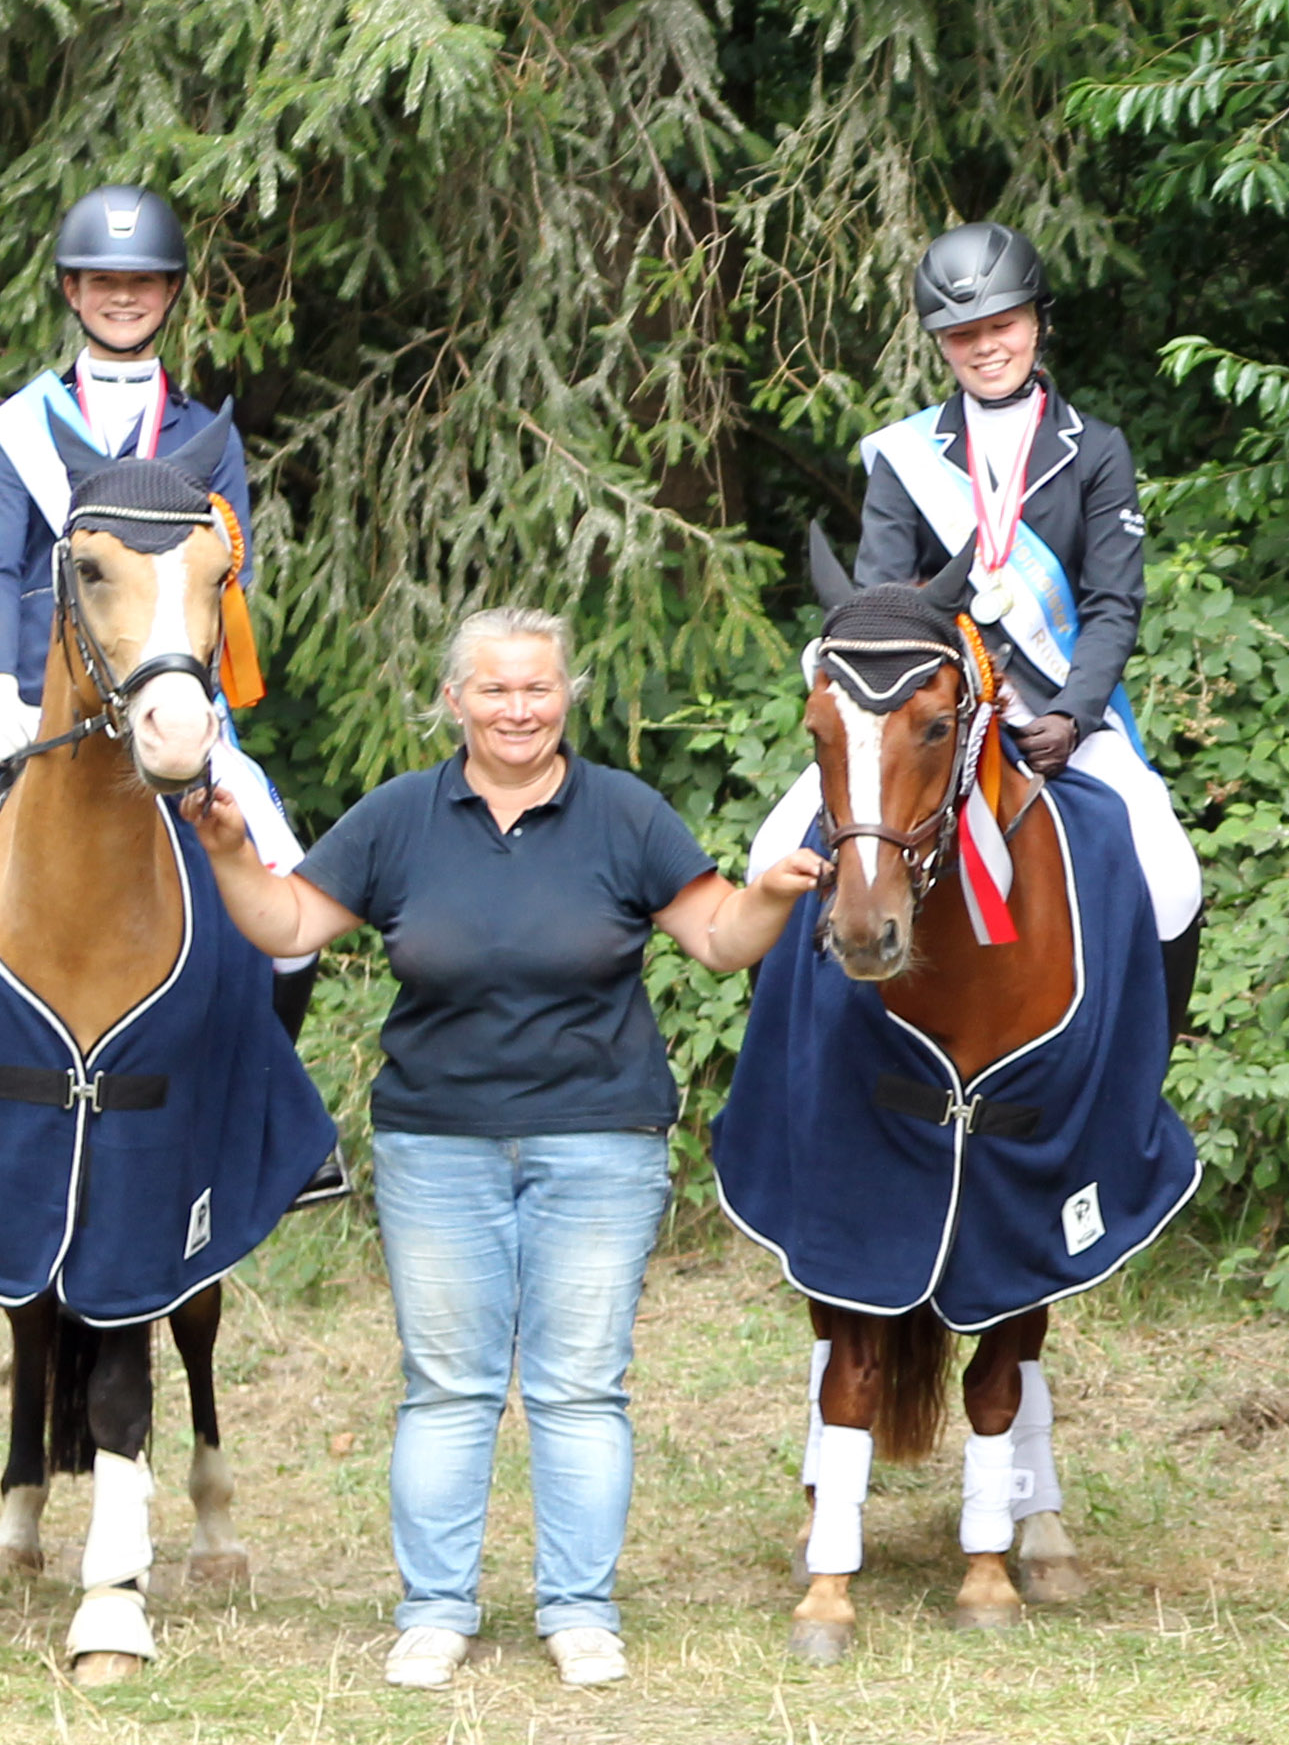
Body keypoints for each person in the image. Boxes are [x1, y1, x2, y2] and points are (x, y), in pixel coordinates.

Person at [185, 607, 822, 1690]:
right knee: (447, 1385)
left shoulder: (625, 814)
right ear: (454, 700)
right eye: (494, 688)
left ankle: (579, 1610)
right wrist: (232, 854)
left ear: (565, 695)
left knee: (580, 1387)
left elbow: (718, 941)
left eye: (537, 688)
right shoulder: (399, 819)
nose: (518, 708)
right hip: (438, 1142)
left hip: (601, 1144)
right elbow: (289, 926)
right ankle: (435, 1609)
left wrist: (765, 896)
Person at [0, 185, 305, 1008]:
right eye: (101, 280)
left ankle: (269, 1120)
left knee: (292, 903)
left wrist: (203, 698)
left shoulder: (206, 438)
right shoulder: (22, 426)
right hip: (34, 706)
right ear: (71, 291)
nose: (122, 296)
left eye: (144, 281)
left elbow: (232, 571)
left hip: (166, 699)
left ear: (169, 295)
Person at [755, 223, 1204, 1029]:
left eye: (1003, 325)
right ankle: (794, 1054)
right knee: (769, 854)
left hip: (1060, 713)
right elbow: (881, 605)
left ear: (1038, 323)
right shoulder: (906, 455)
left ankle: (1147, 1054)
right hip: (926, 712)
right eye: (963, 334)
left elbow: (1111, 602)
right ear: (940, 344)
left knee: (1171, 874)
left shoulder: (1095, 450)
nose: (986, 346)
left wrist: (1074, 712)